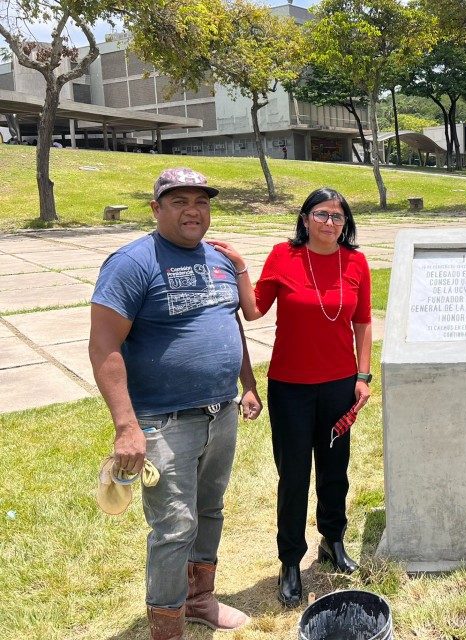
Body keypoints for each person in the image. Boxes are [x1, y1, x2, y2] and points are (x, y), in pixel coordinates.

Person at [89, 168, 263, 640]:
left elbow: (232, 324)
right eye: (179, 200)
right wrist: (127, 427)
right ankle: (167, 627)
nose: (193, 210)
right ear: (156, 208)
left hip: (221, 411)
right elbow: (103, 346)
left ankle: (200, 598)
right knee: (173, 526)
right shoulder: (132, 263)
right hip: (164, 422)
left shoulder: (220, 260)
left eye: (201, 201)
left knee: (210, 508)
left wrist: (247, 382)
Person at [209, 187, 372, 608]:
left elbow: (363, 322)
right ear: (304, 219)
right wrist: (242, 268)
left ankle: (332, 542)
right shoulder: (284, 256)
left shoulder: (355, 262)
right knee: (294, 476)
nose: (329, 223)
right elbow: (253, 311)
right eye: (321, 214)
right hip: (290, 388)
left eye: (338, 216)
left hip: (339, 387)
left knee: (336, 470)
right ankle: (290, 561)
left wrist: (363, 375)